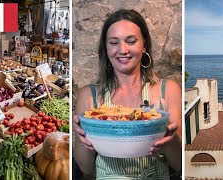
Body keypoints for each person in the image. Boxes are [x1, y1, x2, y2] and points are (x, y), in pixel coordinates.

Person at [73, 9, 182, 179]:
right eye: (114, 42)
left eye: (131, 41)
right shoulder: (88, 96)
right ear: (106, 48)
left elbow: (178, 164)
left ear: (144, 44)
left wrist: (171, 139)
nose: (122, 50)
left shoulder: (168, 90)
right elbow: (85, 168)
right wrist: (81, 142)